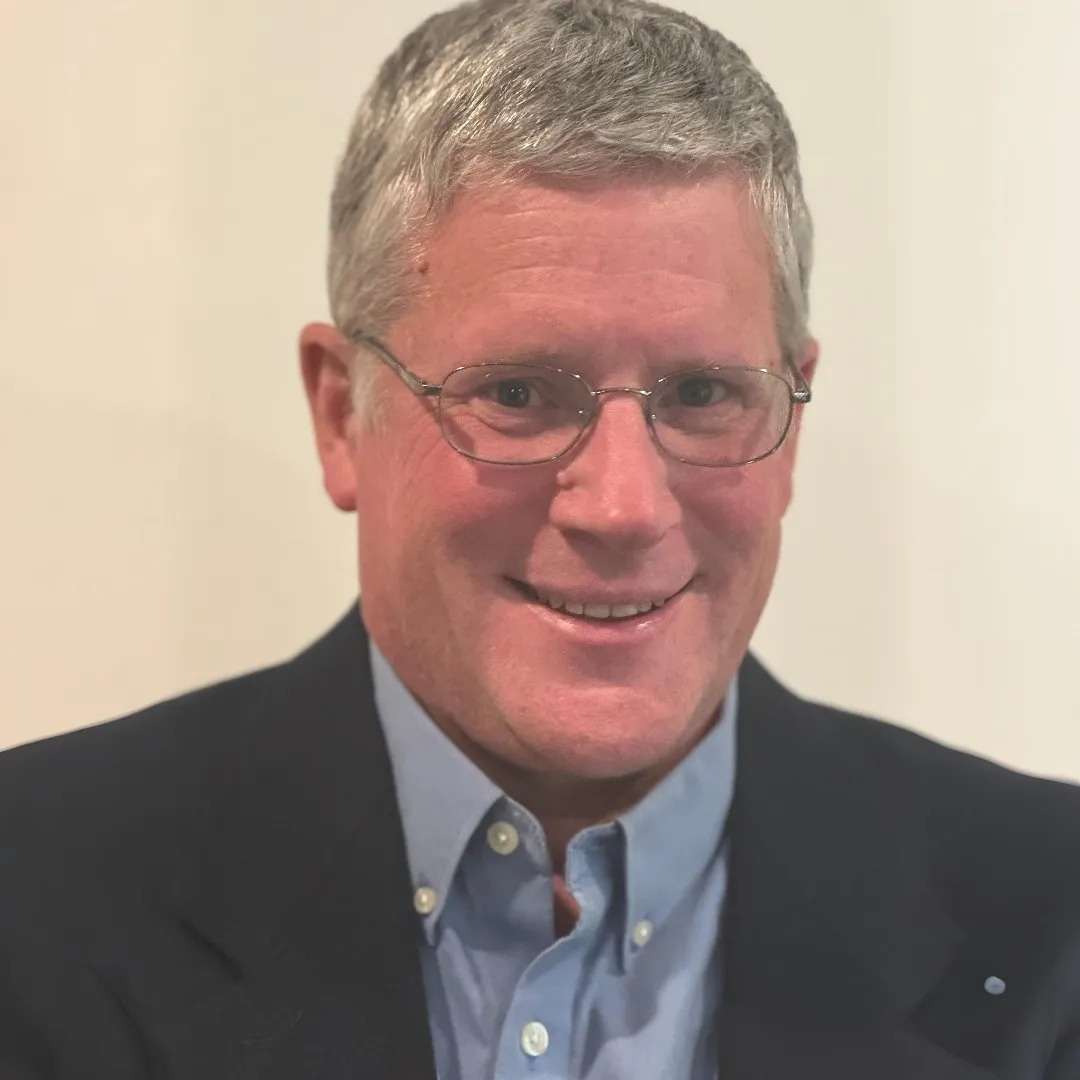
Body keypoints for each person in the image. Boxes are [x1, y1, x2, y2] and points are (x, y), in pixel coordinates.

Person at [2, 0, 1079, 1076]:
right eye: (517, 392)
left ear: (791, 421)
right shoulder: (34, 900)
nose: (622, 506)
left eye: (704, 392)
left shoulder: (1046, 923)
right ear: (342, 416)